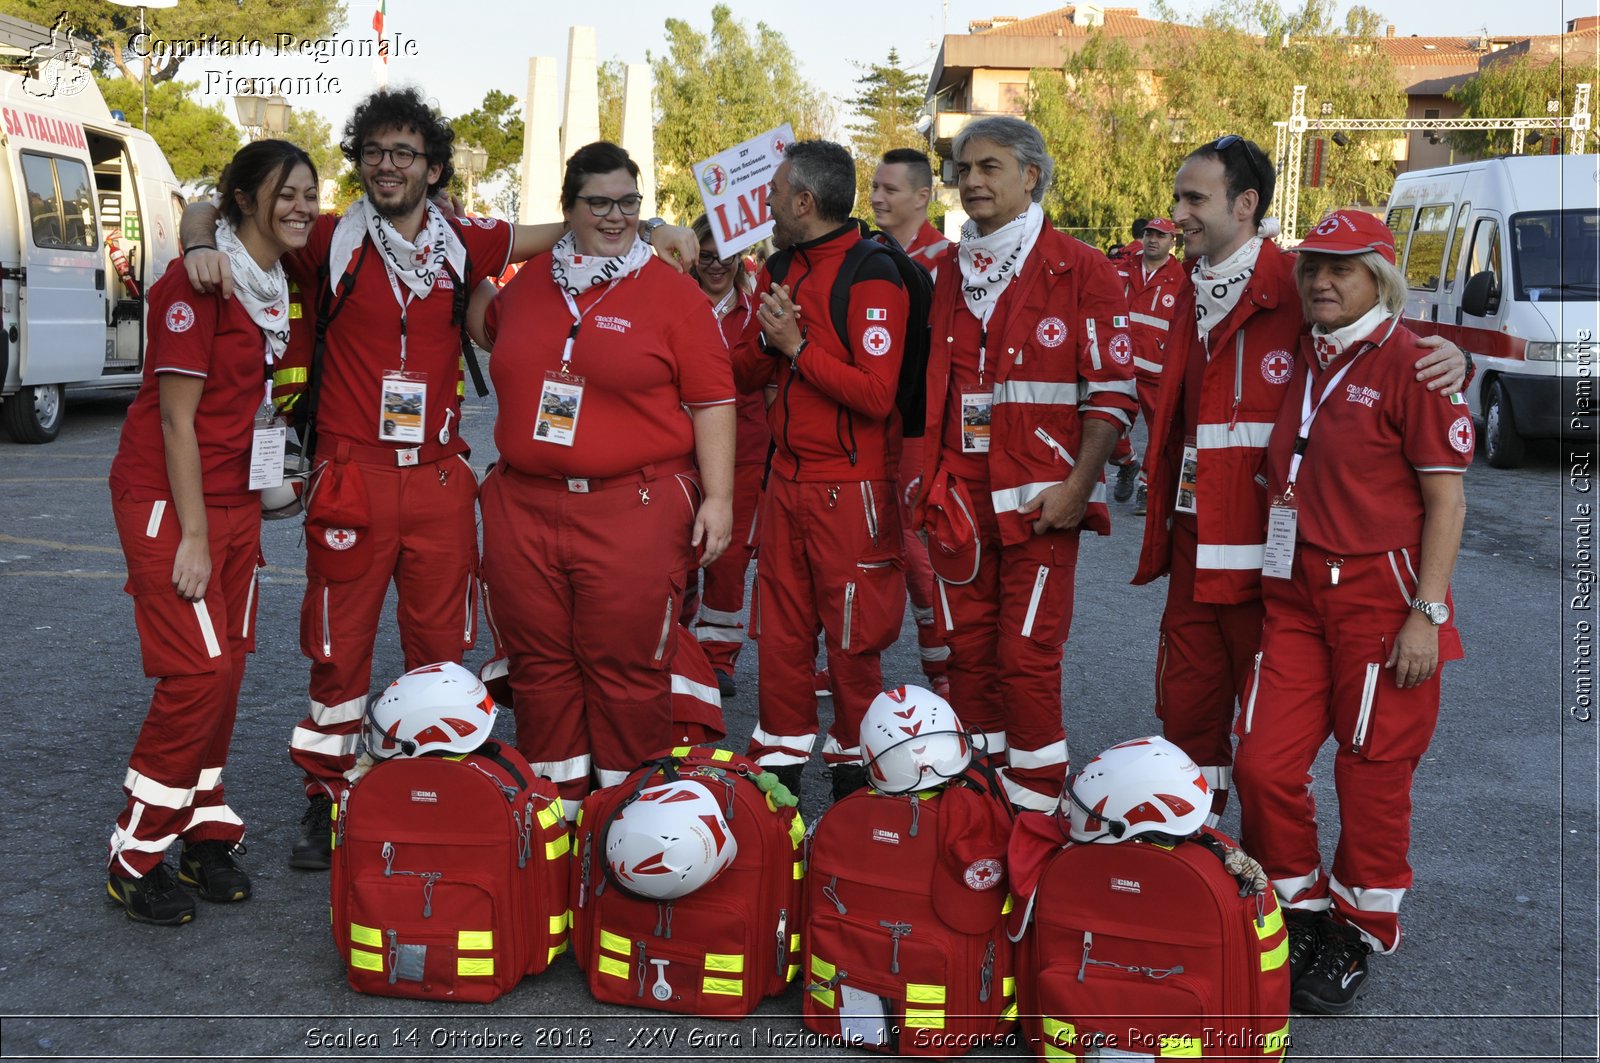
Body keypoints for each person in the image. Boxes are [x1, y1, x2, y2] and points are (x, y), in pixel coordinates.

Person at [182, 90, 699, 869]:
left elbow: (568, 223)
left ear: (432, 166)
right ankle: (328, 796)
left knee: (442, 647)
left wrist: (652, 226)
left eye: (405, 154)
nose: (387, 166)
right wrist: (194, 239)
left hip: (438, 482)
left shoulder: (466, 240)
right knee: (337, 650)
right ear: (360, 161)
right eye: (375, 153)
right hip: (352, 471)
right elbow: (219, 210)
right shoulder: (326, 237)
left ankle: (436, 782)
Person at [1132, 136, 1466, 825]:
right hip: (1197, 556)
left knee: (1274, 749)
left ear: (1245, 204)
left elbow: (1381, 331)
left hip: (1273, 568)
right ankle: (1199, 866)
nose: (1177, 214)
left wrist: (1450, 355)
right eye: (1178, 198)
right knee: (1194, 726)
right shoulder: (1176, 286)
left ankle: (1271, 891)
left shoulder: (1294, 286)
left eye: (1193, 199)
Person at [1232, 210, 1470, 1014]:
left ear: (1381, 276)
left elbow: (1447, 499)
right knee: (1263, 762)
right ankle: (1299, 909)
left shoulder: (1416, 362)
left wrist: (1426, 613)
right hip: (1296, 593)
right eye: (1313, 268)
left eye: (1343, 268)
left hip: (1383, 599)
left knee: (1371, 774)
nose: (1321, 281)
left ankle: (1358, 929)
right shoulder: (1300, 351)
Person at [473, 141, 735, 809]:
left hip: (633, 508)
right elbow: (472, 303)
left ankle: (628, 821)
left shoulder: (673, 295)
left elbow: (713, 402)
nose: (615, 216)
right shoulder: (528, 284)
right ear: (568, 209)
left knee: (627, 674)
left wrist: (720, 498)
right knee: (541, 672)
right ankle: (556, 820)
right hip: (524, 509)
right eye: (599, 203)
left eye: (628, 202)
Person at [106, 140, 318, 924]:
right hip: (171, 500)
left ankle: (202, 831)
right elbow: (175, 420)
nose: (300, 206)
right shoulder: (196, 283)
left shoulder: (275, 283)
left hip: (233, 501)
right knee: (196, 674)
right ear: (240, 202)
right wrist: (193, 535)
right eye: (283, 193)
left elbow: (253, 405)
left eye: (308, 192)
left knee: (226, 673)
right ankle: (135, 853)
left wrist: (270, 487)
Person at [918, 116, 1138, 812]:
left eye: (988, 167)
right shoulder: (943, 269)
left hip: (1043, 503)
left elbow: (1114, 392)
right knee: (968, 657)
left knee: (1026, 659)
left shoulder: (1083, 267)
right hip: (958, 500)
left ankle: (1037, 806)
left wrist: (1079, 487)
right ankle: (984, 797)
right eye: (962, 168)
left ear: (1030, 176)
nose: (971, 181)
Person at [732, 139, 910, 802]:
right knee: (778, 639)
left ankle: (855, 792)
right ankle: (776, 793)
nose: (767, 201)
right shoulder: (781, 264)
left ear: (804, 201)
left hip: (852, 487)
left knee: (852, 645)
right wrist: (763, 339)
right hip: (786, 482)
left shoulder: (873, 272)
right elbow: (746, 373)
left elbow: (875, 394)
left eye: (775, 191)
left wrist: (797, 347)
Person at [869, 146, 951, 696]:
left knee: (919, 546)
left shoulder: (951, 261)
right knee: (870, 541)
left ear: (923, 197)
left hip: (922, 426)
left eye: (889, 189)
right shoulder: (865, 254)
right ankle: (857, 658)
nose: (876, 197)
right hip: (869, 423)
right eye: (874, 187)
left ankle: (942, 667)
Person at [686, 213, 766, 698]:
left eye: (726, 257)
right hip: (679, 446)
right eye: (708, 256)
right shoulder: (673, 300)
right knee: (676, 551)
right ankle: (676, 646)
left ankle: (718, 659)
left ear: (741, 258)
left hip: (745, 450)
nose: (717, 266)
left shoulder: (758, 305)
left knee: (728, 557)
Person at [1108, 216, 1187, 513]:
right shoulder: (1120, 270)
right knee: (1108, 425)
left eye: (1161, 235)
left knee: (1161, 435)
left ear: (1172, 242)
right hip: (1119, 365)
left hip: (1157, 370)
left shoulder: (1181, 279)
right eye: (1149, 234)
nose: (1153, 239)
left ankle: (1146, 485)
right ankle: (1127, 463)